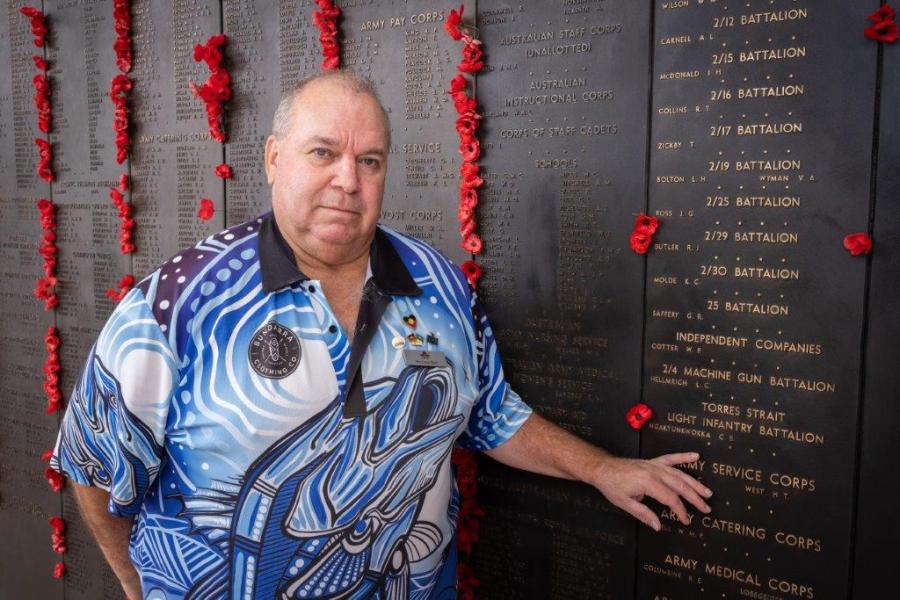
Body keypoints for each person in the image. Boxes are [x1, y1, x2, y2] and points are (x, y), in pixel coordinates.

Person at [51, 71, 712, 599]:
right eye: (323, 153)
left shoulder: (441, 288)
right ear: (275, 159)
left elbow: (489, 413)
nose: (348, 179)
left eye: (369, 160)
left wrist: (602, 469)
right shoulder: (178, 304)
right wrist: (137, 588)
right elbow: (93, 463)